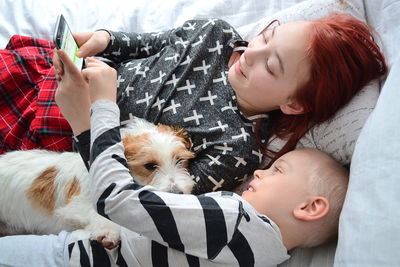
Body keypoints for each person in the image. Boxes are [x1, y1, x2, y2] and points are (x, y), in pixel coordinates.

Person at [0, 61, 349, 264]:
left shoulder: (232, 220)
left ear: (310, 207)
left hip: (70, 257)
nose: (259, 169)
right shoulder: (267, 256)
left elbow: (120, 203)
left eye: (277, 170)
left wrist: (101, 108)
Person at [0, 14, 386, 194]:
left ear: (294, 104)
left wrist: (96, 108)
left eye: (271, 64)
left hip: (57, 132)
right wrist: (105, 39)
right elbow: (148, 43)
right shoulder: (214, 33)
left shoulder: (235, 147)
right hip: (44, 70)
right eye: (268, 36)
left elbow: (152, 197)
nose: (252, 53)